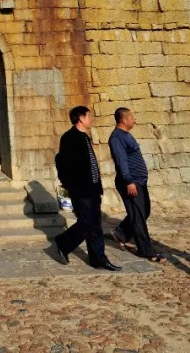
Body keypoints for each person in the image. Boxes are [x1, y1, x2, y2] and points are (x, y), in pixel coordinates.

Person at [53, 105, 122, 271]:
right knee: (86, 222)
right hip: (80, 189)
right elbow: (61, 162)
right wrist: (69, 184)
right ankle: (63, 242)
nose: (90, 119)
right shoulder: (70, 137)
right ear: (81, 118)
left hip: (92, 188)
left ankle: (99, 259)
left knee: (95, 225)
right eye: (88, 116)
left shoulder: (84, 137)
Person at [107, 107, 164, 262]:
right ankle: (147, 251)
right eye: (132, 117)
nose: (135, 119)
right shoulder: (117, 138)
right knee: (138, 217)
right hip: (130, 182)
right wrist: (129, 181)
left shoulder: (126, 135)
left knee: (143, 212)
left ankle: (121, 233)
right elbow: (121, 161)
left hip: (138, 181)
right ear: (124, 119)